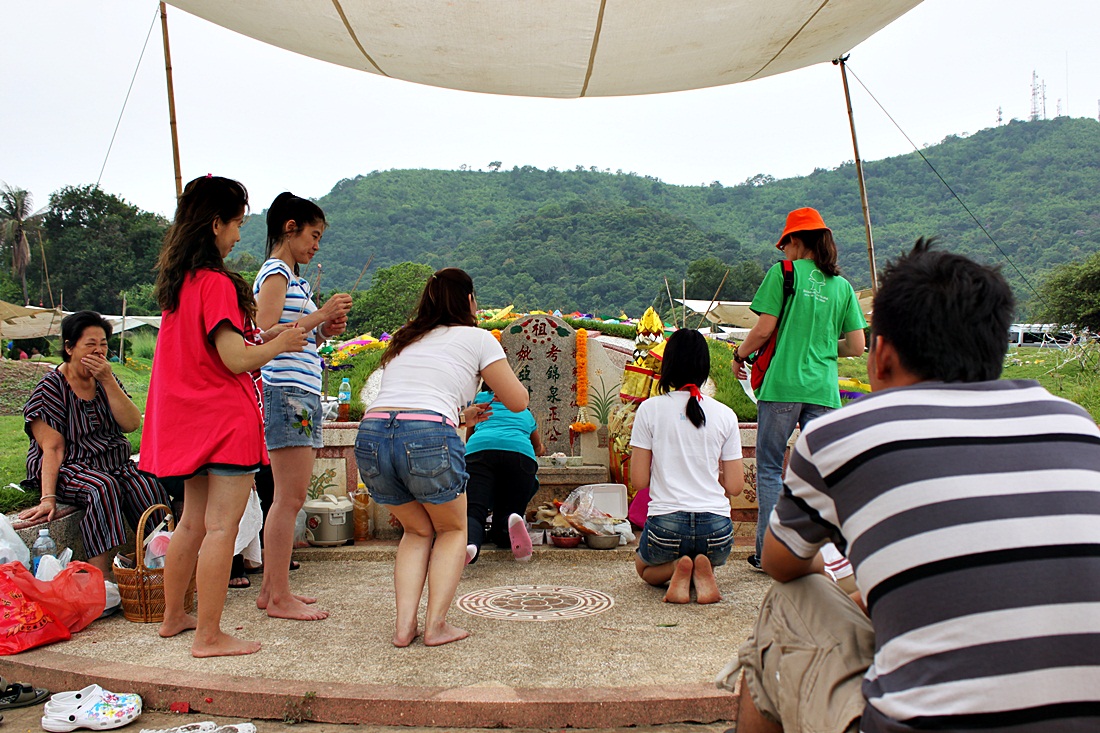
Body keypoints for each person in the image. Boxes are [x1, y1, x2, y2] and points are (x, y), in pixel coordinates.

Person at [730, 238, 1100, 733]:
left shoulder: (844, 436)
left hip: (920, 723)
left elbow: (782, 565)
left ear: (882, 355)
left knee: (786, 603)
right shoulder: (1076, 425)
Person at [140, 175, 307, 657]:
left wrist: (268, 340)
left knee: (190, 523)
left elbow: (213, 349)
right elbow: (235, 359)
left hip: (187, 420)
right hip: (223, 420)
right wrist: (281, 342)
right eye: (235, 224)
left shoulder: (179, 285)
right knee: (221, 527)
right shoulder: (216, 283)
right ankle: (209, 636)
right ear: (215, 224)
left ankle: (174, 617)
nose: (237, 235)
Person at [355, 267, 528, 647]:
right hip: (428, 436)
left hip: (371, 436)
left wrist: (461, 416)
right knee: (452, 531)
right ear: (469, 300)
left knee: (417, 531)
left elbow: (407, 399)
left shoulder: (406, 339)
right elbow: (518, 401)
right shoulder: (478, 337)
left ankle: (404, 627)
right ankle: (435, 626)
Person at [732, 207, 866, 570]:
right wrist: (823, 346)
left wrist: (739, 354)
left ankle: (768, 554)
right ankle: (829, 557)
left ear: (795, 240)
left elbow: (763, 330)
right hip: (823, 391)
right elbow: (857, 346)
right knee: (824, 473)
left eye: (785, 245)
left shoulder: (783, 273)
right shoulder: (842, 287)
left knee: (770, 468)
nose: (784, 251)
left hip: (782, 386)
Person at [252, 192, 352, 620]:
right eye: (313, 235)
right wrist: (320, 314)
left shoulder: (294, 280)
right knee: (288, 498)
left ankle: (270, 589)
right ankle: (279, 597)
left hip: (300, 391)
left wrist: (324, 329)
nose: (316, 245)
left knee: (288, 496)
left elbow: (299, 335)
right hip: (287, 390)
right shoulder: (276, 273)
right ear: (289, 228)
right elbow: (263, 332)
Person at [19, 310, 171, 578]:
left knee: (146, 483)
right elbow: (53, 448)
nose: (99, 351)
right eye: (90, 344)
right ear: (69, 347)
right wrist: (48, 498)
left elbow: (131, 423)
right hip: (69, 465)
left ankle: (161, 563)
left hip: (110, 461)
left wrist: (108, 381)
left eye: (103, 344)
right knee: (103, 488)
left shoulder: (105, 380)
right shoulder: (52, 388)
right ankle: (101, 580)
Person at [630, 329, 743, 604]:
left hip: (666, 527)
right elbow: (735, 486)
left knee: (643, 568)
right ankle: (702, 570)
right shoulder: (726, 415)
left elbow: (639, 481)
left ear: (668, 365)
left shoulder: (649, 409)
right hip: (716, 531)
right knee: (704, 551)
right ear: (705, 367)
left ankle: (676, 568)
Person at [463, 383, 544, 565]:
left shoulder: (479, 407)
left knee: (474, 509)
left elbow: (469, 437)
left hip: (480, 451)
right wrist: (541, 449)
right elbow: (537, 447)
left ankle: (471, 544)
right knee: (509, 510)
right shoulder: (525, 413)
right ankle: (510, 522)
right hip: (520, 455)